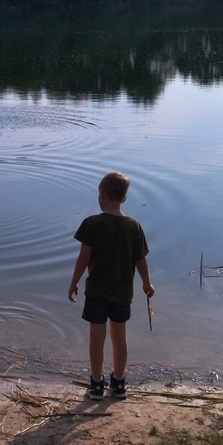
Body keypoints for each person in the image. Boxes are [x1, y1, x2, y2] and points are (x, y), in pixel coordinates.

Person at [67, 172, 155, 401]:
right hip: (122, 293)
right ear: (124, 199)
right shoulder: (134, 226)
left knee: (97, 340)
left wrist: (74, 283)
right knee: (119, 338)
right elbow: (141, 260)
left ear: (102, 195)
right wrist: (147, 283)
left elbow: (83, 258)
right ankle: (118, 383)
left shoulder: (92, 223)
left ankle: (96, 385)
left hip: (97, 292)